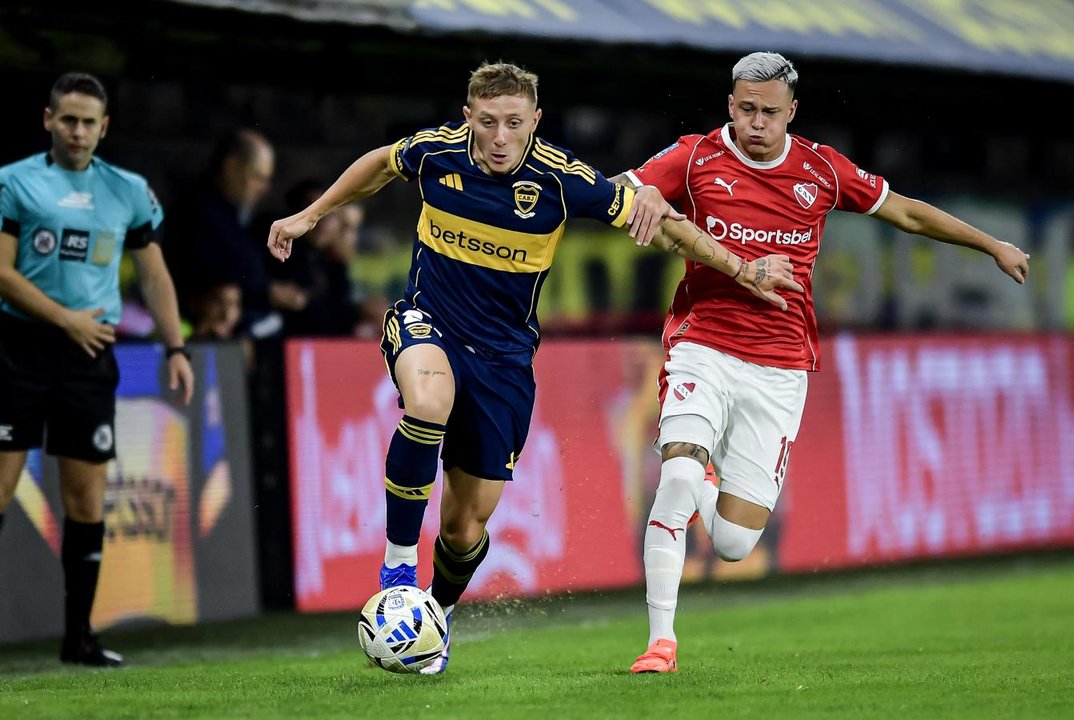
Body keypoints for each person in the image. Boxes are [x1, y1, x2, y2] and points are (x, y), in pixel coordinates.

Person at [267, 61, 802, 675]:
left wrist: (741, 268)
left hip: (504, 362)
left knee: (464, 528)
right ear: (468, 117)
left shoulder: (562, 179)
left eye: (514, 124)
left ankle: (432, 619)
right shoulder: (437, 152)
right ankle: (397, 570)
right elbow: (382, 163)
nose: (500, 137)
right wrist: (312, 214)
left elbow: (665, 228)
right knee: (428, 401)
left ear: (535, 121)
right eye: (488, 122)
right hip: (428, 321)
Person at [618, 51, 1031, 674]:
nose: (757, 123)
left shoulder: (821, 169)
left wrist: (991, 244)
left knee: (733, 544)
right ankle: (660, 644)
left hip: (780, 367)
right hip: (702, 344)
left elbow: (906, 212)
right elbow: (616, 188)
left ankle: (707, 481)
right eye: (746, 109)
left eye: (769, 112)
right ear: (730, 106)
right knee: (674, 477)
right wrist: (640, 190)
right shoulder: (695, 156)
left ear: (792, 111)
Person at [0, 72, 194, 666]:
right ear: (48, 120)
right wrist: (66, 319)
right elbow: (1, 271)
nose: (77, 131)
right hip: (18, 349)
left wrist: (176, 347)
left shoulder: (128, 191)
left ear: (104, 127)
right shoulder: (14, 182)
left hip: (88, 358)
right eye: (68, 120)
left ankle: (78, 637)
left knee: (86, 501)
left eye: (88, 122)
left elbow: (154, 275)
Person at [166, 127, 298, 339]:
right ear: (231, 167)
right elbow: (209, 277)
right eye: (258, 177)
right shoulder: (196, 213)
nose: (265, 188)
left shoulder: (237, 216)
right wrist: (266, 292)